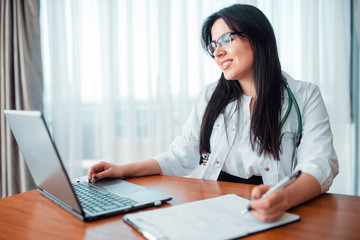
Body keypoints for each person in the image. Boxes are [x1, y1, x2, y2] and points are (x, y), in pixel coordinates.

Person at [88, 4, 338, 222]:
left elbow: (319, 165)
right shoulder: (210, 96)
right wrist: (123, 170)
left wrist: (282, 198)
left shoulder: (305, 96)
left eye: (227, 39)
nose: (217, 52)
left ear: (258, 37)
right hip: (214, 205)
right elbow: (180, 155)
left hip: (271, 203)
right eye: (213, 45)